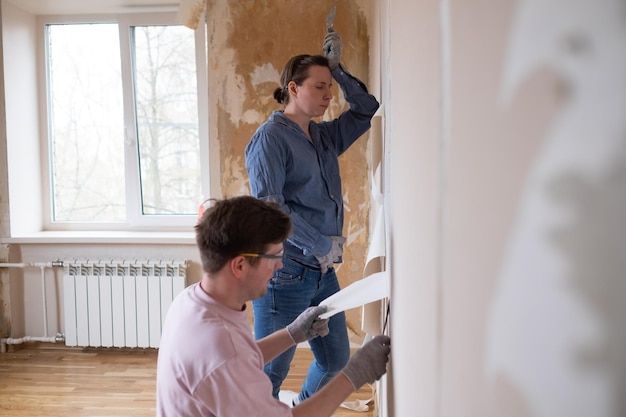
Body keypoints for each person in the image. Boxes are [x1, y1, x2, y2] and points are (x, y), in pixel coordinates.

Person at [156, 196, 391, 417]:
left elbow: (239, 357)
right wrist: (354, 375)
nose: (280, 265)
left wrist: (291, 334)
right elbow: (230, 358)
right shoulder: (221, 347)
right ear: (239, 265)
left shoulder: (191, 300)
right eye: (275, 256)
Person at [244, 29, 380, 405]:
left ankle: (300, 413)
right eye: (320, 86)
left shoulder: (323, 137)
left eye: (329, 86)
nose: (328, 94)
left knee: (335, 359)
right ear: (293, 88)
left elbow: (366, 109)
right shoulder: (270, 139)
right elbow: (271, 210)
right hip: (283, 274)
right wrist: (319, 243)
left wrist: (338, 70)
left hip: (321, 273)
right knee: (269, 371)